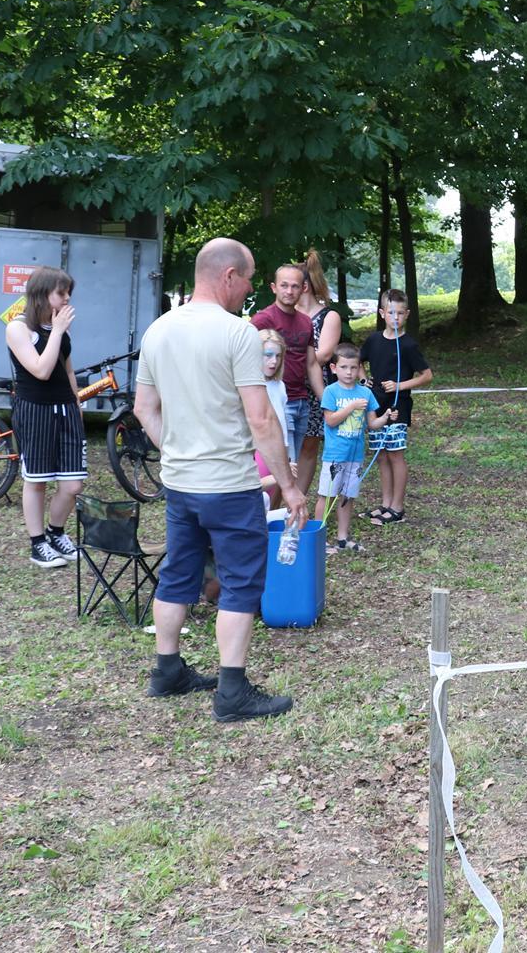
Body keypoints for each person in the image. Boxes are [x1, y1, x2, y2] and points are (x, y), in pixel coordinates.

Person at [135, 238, 307, 722]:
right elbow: (261, 419)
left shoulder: (158, 330)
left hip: (180, 483)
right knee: (240, 585)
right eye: (249, 278)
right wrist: (290, 486)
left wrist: (175, 452)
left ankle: (167, 671)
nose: (251, 289)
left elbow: (144, 409)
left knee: (177, 575)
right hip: (230, 485)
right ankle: (232, 693)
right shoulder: (238, 334)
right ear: (228, 275)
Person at [5, 267, 88, 568]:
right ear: (41, 294)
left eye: (69, 293)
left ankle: (56, 532)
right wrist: (57, 332)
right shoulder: (18, 328)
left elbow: (67, 370)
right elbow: (40, 369)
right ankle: (37, 542)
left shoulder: (58, 329)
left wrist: (76, 404)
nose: (67, 299)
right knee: (37, 480)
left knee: (73, 484)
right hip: (35, 409)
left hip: (65, 408)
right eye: (61, 293)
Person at [359, 289, 432, 526]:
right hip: (376, 406)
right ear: (382, 313)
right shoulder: (373, 340)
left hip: (398, 407)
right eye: (391, 313)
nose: (395, 317)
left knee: (395, 454)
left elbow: (427, 375)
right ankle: (386, 503)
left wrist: (400, 385)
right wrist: (364, 380)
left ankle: (397, 508)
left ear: (407, 314)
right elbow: (358, 361)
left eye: (400, 313)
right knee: (381, 455)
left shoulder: (408, 345)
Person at [319, 344, 388, 554]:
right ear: (334, 368)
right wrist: (350, 407)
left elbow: (372, 423)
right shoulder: (331, 391)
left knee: (348, 495)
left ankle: (343, 537)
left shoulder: (365, 393)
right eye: (344, 367)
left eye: (353, 367)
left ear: (359, 369)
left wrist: (386, 417)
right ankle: (318, 539)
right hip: (335, 454)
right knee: (327, 495)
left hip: (355, 456)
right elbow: (330, 420)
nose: (349, 372)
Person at [250, 263, 320, 463]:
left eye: (295, 286)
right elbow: (245, 359)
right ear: (274, 287)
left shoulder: (306, 322)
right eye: (284, 285)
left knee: (293, 464)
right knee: (283, 465)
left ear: (303, 288)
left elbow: (311, 364)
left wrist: (326, 401)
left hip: (301, 402)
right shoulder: (262, 320)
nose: (289, 291)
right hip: (275, 400)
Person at [296, 249, 342, 515]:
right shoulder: (287, 314)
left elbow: (323, 355)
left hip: (315, 390)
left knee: (308, 447)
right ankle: (272, 504)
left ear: (304, 286)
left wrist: (290, 356)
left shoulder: (328, 316)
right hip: (288, 387)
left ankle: (297, 502)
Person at [254, 328, 293, 508]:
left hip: (279, 450)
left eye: (278, 356)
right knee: (258, 497)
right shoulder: (251, 387)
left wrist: (285, 452)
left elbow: (281, 422)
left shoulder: (279, 385)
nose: (274, 361)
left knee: (271, 501)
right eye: (268, 355)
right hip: (259, 451)